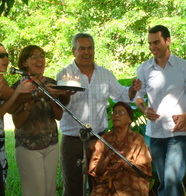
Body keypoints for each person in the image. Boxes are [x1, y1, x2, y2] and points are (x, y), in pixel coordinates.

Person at [56, 33, 142, 196]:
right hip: (73, 140)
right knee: (73, 188)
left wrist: (132, 89)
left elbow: (123, 95)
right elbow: (60, 105)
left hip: (99, 139)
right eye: (82, 48)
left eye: (90, 48)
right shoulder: (64, 74)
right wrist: (66, 94)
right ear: (73, 51)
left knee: (101, 186)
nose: (87, 52)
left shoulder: (105, 74)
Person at [135, 25, 186, 196]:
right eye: (150, 44)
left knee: (172, 179)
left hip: (178, 132)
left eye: (156, 42)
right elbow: (138, 97)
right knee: (165, 182)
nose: (152, 47)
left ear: (168, 40)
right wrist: (144, 109)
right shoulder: (143, 69)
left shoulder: (185, 67)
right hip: (155, 133)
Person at [11, 45, 65, 196]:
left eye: (42, 55)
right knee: (36, 192)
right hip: (29, 146)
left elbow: (59, 116)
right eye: (34, 57)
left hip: (51, 144)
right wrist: (35, 98)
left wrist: (53, 98)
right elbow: (18, 123)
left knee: (50, 191)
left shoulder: (51, 83)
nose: (40, 59)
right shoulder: (19, 87)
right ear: (24, 63)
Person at [89, 101, 152, 196]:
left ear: (129, 119)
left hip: (132, 182)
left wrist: (125, 164)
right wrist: (107, 160)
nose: (116, 115)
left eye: (121, 112)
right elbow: (95, 169)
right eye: (114, 112)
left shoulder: (137, 139)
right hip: (108, 182)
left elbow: (144, 169)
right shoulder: (104, 139)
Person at [0, 43, 34, 196]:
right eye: (1, 56)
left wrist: (27, 98)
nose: (5, 58)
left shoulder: (2, 81)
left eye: (6, 55)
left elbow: (12, 106)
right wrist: (19, 93)